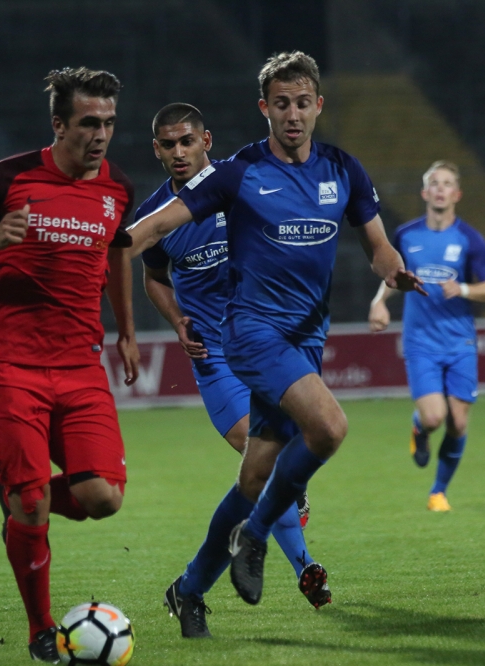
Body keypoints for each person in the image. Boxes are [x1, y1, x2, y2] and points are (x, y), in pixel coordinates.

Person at [128, 51, 425, 624]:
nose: (293, 114)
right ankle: (267, 541)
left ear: (319, 106)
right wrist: (109, 246)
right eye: (281, 103)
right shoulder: (238, 175)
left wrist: (393, 270)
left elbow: (378, 246)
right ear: (264, 108)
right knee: (328, 427)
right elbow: (154, 238)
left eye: (302, 103)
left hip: (302, 340)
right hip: (240, 339)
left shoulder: (343, 170)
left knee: (255, 477)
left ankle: (189, 589)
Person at [0, 67, 139, 663]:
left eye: (109, 123)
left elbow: (119, 252)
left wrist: (126, 331)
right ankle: (42, 629)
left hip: (80, 366)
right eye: (88, 123)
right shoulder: (11, 177)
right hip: (9, 364)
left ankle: (15, 497)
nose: (100, 135)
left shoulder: (118, 188)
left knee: (104, 498)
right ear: (59, 125)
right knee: (34, 501)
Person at [134, 103, 323, 638]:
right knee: (261, 462)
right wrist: (176, 319)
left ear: (206, 141)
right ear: (156, 149)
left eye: (187, 141)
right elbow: (154, 277)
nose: (179, 152)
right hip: (214, 357)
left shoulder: (244, 184)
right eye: (168, 144)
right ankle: (304, 566)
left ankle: (189, 588)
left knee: (273, 466)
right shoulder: (155, 217)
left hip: (264, 345)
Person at [368, 160, 485, 512]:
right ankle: (419, 428)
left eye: (447, 184)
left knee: (458, 423)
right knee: (433, 418)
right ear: (425, 193)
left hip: (460, 343)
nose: (441, 189)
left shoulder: (469, 238)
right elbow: (394, 277)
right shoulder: (407, 235)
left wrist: (465, 290)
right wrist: (379, 302)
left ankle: (438, 493)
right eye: (435, 183)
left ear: (456, 194)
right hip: (421, 342)